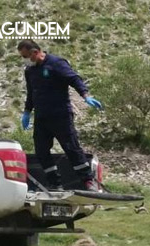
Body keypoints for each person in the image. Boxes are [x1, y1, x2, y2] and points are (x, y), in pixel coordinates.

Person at [18, 40, 104, 192]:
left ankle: (88, 181)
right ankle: (55, 184)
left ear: (35, 52)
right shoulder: (30, 71)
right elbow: (31, 93)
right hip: (42, 117)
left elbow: (74, 79)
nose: (25, 60)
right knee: (41, 151)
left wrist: (85, 95)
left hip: (60, 115)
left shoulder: (56, 63)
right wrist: (27, 112)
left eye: (25, 56)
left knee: (71, 148)